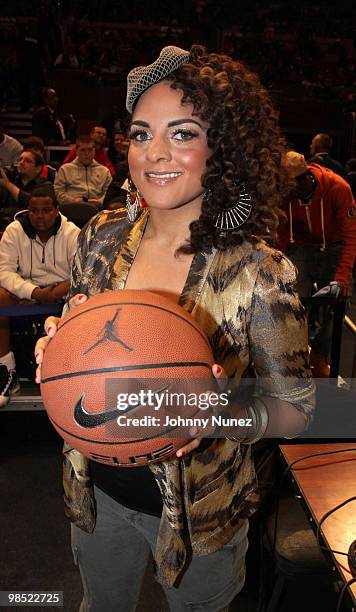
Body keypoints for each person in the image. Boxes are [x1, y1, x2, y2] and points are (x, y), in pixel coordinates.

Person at [35, 45, 315, 612]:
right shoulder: (101, 236)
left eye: (182, 133)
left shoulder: (261, 273)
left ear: (223, 148)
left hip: (203, 515)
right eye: (141, 134)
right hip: (96, 492)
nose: (154, 153)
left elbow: (296, 408)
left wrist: (219, 413)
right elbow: (81, 340)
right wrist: (57, 349)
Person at [278, 151, 356, 377]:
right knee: (291, 302)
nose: (288, 193)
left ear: (305, 179)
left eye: (291, 187)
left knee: (335, 305)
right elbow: (282, 233)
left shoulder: (337, 188)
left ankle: (320, 354)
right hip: (301, 246)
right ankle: (297, 355)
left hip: (333, 246)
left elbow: (351, 238)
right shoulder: (286, 195)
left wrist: (341, 278)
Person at [0, 185, 79, 406]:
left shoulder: (72, 232)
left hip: (61, 292)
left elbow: (82, 272)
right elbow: (4, 271)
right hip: (25, 290)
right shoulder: (14, 231)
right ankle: (7, 371)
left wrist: (56, 291)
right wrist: (33, 292)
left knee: (85, 299)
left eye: (46, 210)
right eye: (34, 210)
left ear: (56, 210)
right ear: (28, 211)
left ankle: (75, 370)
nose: (40, 216)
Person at [54, 135, 112, 207]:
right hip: (71, 207)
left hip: (97, 208)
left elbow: (109, 192)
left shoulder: (104, 171)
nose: (87, 153)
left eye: (90, 150)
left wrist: (100, 201)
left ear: (94, 151)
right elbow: (58, 191)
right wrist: (73, 201)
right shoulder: (65, 169)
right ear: (76, 151)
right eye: (83, 150)